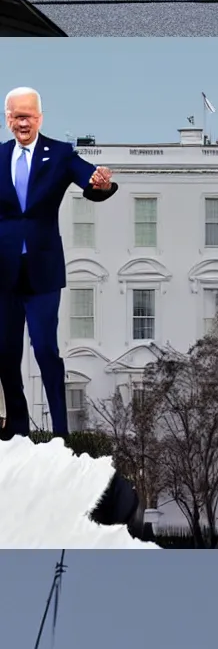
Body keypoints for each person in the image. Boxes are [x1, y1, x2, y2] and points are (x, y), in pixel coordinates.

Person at [0, 89, 118, 440]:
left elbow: (91, 181)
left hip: (43, 272)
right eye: (16, 116)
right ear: (7, 117)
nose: (22, 122)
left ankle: (60, 433)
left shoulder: (61, 153)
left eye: (29, 116)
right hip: (3, 272)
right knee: (5, 352)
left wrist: (101, 183)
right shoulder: (0, 155)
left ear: (40, 117)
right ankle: (17, 428)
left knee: (45, 348)